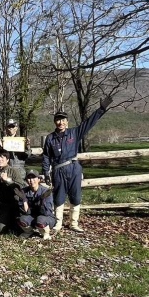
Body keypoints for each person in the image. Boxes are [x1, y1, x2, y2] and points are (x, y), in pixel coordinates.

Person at [42, 96, 112, 233]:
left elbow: (89, 123)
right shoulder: (50, 138)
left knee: (76, 195)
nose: (61, 122)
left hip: (74, 168)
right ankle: (57, 223)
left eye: (63, 120)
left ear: (67, 122)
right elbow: (46, 156)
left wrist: (101, 109)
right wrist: (46, 172)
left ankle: (74, 223)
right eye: (58, 120)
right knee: (59, 197)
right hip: (58, 170)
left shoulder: (74, 133)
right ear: (55, 122)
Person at [0, 148, 26, 234]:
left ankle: (7, 221)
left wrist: (7, 180)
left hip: (11, 203)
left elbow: (20, 187)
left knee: (1, 229)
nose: (0, 159)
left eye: (2, 157)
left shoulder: (13, 171)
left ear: (7, 160)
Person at [17, 170, 55, 240]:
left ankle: (45, 233)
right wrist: (24, 200)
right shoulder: (24, 192)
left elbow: (46, 213)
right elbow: (25, 212)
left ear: (39, 179)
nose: (31, 180)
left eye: (34, 178)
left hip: (46, 217)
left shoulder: (46, 191)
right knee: (22, 220)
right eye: (29, 178)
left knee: (40, 220)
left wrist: (42, 201)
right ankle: (28, 232)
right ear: (26, 180)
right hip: (32, 216)